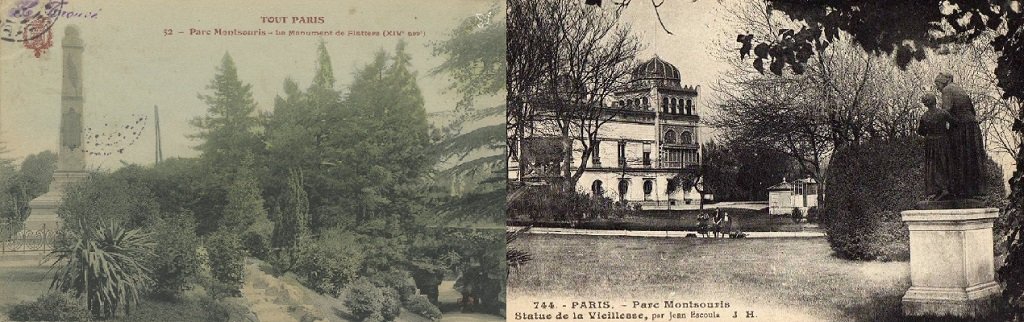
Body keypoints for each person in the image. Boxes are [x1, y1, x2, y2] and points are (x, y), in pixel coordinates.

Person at [935, 73, 986, 198]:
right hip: (972, 126)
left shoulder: (947, 90)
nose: (937, 88)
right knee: (970, 158)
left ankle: (959, 191)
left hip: (962, 127)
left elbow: (945, 111)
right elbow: (972, 111)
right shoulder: (959, 89)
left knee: (958, 157)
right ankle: (973, 191)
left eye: (937, 85)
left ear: (943, 82)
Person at [916, 94, 953, 200]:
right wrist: (946, 132)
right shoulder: (943, 113)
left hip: (931, 144)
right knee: (945, 163)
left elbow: (921, 131)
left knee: (933, 166)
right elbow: (954, 123)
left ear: (925, 104)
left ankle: (939, 190)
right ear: (935, 101)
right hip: (944, 141)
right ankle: (945, 188)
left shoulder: (924, 116)